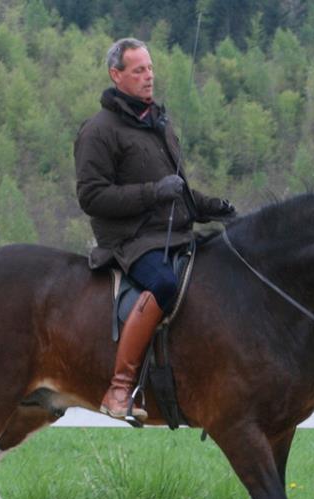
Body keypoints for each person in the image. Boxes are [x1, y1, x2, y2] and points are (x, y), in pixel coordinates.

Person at [74, 37, 236, 423]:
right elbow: (92, 197)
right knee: (163, 284)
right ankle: (119, 387)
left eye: (150, 69)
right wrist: (153, 192)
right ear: (117, 75)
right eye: (138, 70)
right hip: (131, 244)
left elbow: (178, 191)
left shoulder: (159, 126)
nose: (149, 78)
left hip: (176, 237)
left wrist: (216, 208)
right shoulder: (98, 131)